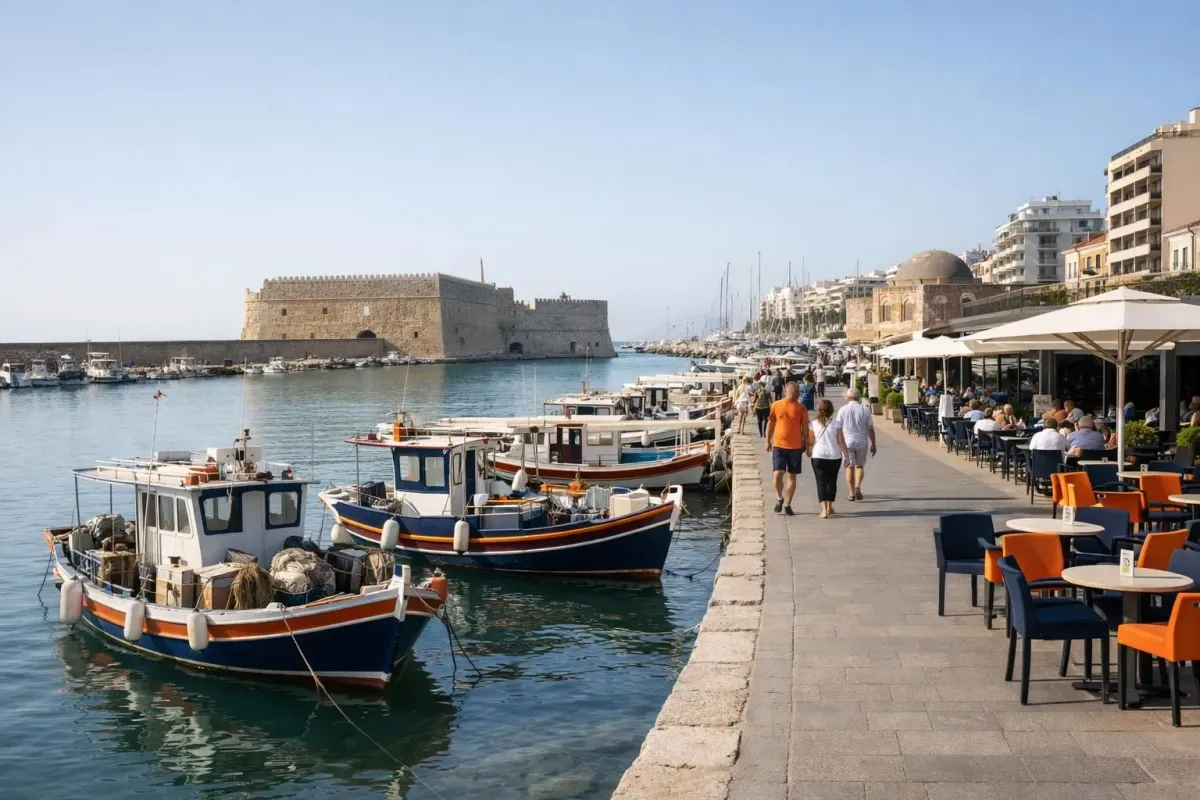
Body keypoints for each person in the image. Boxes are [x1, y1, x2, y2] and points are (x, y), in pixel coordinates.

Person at [765, 382, 810, 516]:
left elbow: (805, 429)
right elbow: (771, 422)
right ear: (786, 391)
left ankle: (788, 504)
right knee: (777, 473)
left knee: (792, 475)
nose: (797, 394)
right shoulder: (776, 405)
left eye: (798, 392)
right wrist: (767, 440)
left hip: (795, 447)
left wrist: (807, 446)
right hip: (779, 445)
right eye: (795, 392)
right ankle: (779, 498)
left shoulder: (801, 408)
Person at [836, 386, 876, 501]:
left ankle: (851, 493)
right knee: (859, 466)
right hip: (862, 441)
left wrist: (838, 442)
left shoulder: (843, 410)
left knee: (849, 467)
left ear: (848, 397)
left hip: (847, 442)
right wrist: (873, 444)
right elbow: (870, 428)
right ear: (858, 397)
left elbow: (838, 427)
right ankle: (858, 486)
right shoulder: (865, 409)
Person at [808, 398, 845, 519]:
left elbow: (811, 441)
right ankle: (829, 507)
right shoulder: (836, 423)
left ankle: (824, 510)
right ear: (831, 410)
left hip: (818, 456)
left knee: (821, 482)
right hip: (834, 456)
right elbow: (841, 441)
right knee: (832, 481)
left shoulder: (814, 424)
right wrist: (847, 456)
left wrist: (808, 449)